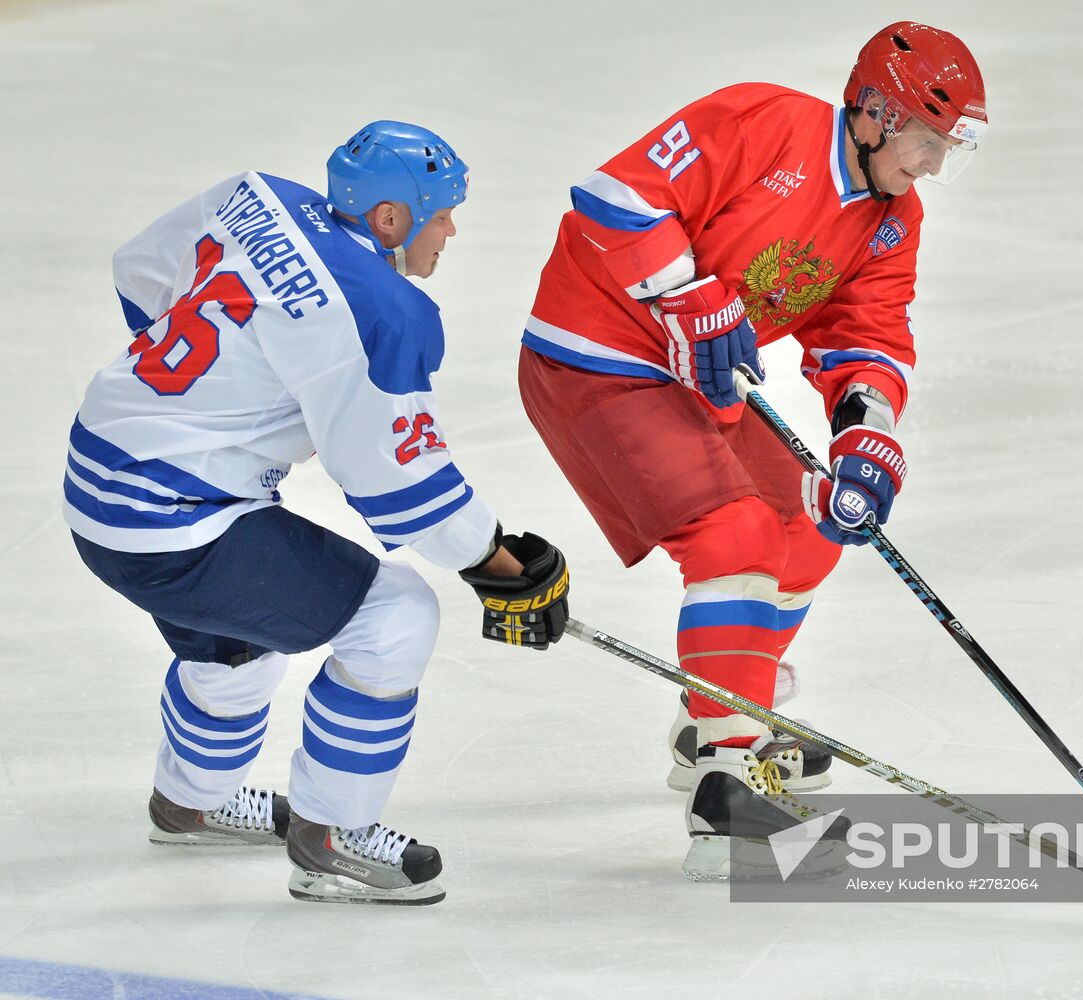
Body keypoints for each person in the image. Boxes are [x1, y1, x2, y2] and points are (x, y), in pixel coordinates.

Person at [518, 23, 987, 878]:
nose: (932, 166)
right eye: (927, 141)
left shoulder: (890, 222)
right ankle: (725, 787)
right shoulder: (765, 122)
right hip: (596, 354)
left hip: (699, 382)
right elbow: (614, 196)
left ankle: (721, 716)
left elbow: (868, 336)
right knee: (734, 540)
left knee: (814, 521)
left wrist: (865, 435)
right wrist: (686, 292)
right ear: (876, 114)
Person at [64, 121, 570, 905]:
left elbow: (141, 273)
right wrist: (494, 560)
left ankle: (188, 802)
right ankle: (334, 837)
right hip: (174, 518)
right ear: (391, 219)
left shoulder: (255, 197)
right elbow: (400, 481)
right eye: (441, 214)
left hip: (98, 472)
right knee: (395, 616)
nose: (452, 230)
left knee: (237, 646)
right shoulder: (381, 307)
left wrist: (211, 412)